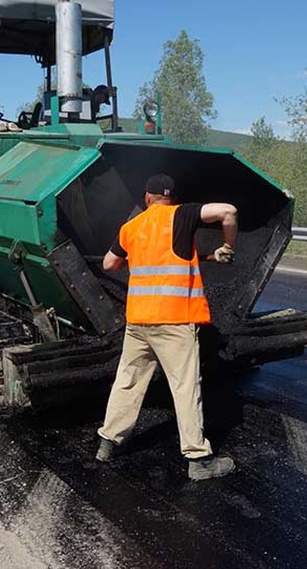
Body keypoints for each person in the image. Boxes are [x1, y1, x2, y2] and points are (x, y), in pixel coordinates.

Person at [96, 174, 238, 481]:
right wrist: (227, 244)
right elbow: (228, 211)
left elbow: (109, 264)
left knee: (128, 381)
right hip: (174, 321)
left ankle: (108, 443)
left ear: (147, 198)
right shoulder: (183, 214)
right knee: (185, 387)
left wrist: (205, 257)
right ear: (171, 198)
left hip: (138, 321)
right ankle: (199, 460)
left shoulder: (131, 227)